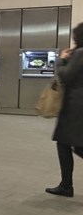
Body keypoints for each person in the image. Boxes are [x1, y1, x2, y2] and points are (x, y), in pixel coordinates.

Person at [46, 23, 83, 197]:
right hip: (77, 107)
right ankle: (65, 185)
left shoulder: (81, 53)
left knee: (67, 144)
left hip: (74, 107)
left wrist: (61, 60)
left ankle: (66, 186)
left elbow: (66, 76)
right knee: (70, 144)